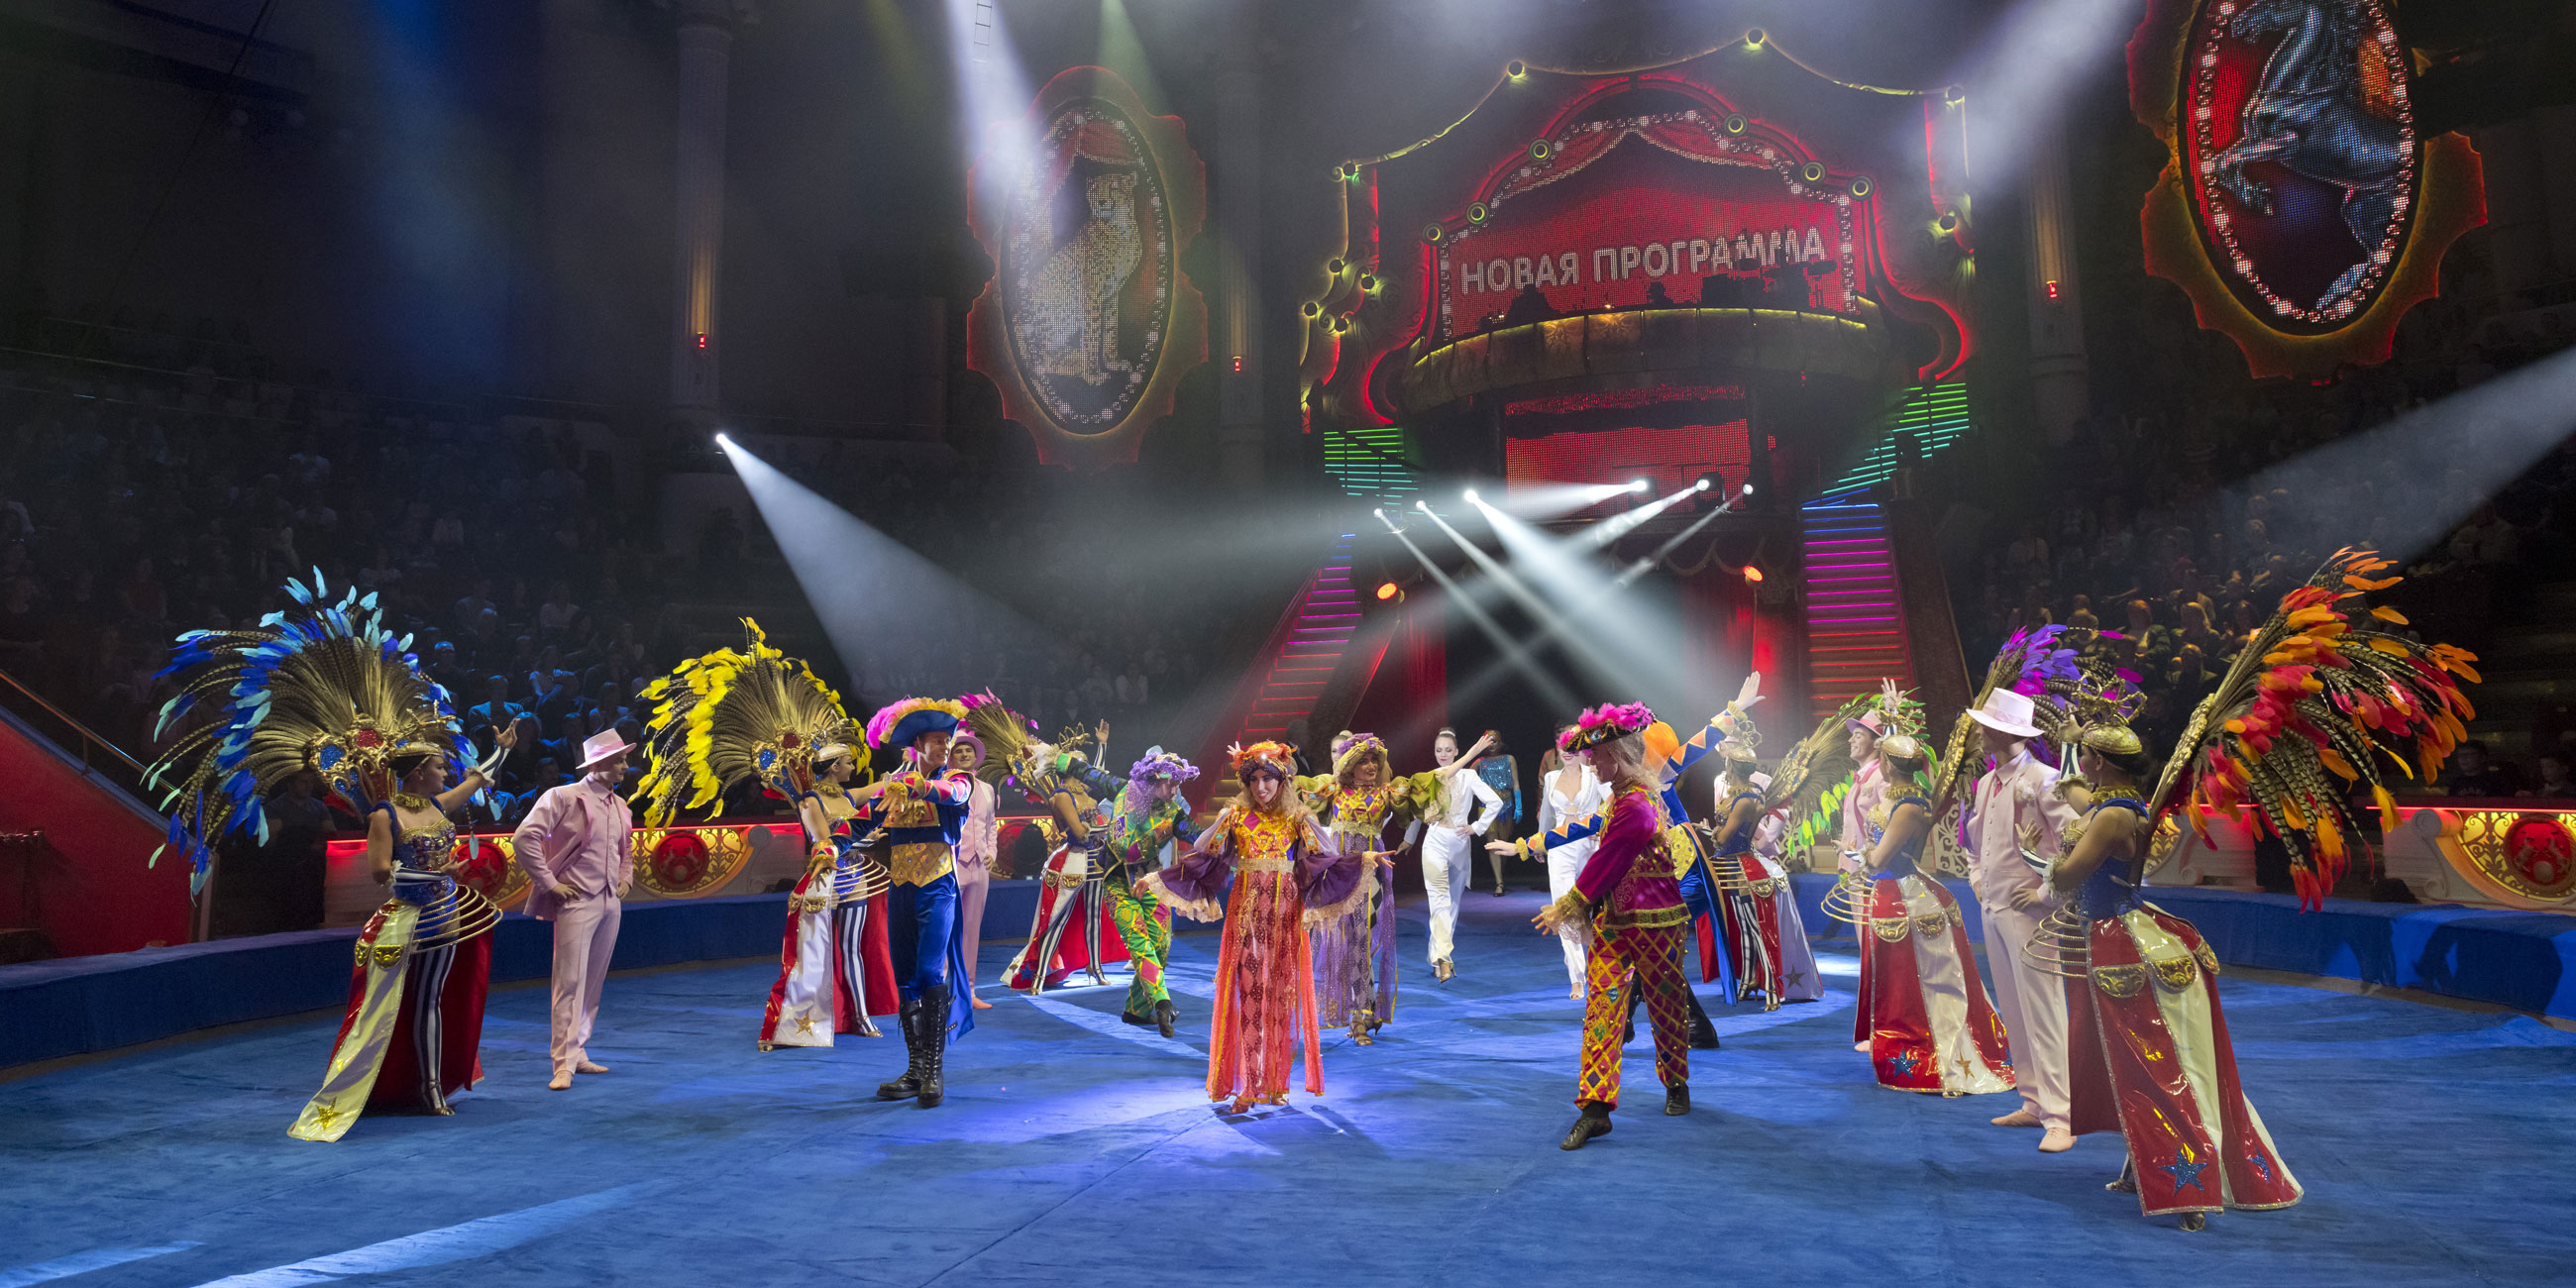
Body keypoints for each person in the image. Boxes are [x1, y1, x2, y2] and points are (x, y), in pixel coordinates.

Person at [148, 574, 513, 1142]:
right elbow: (380, 874)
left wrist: (502, 751)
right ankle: (411, 1087)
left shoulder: (437, 806)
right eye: (440, 766)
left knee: (434, 999)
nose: (448, 772)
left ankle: (432, 1085)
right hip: (409, 917)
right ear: (419, 772)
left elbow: (479, 779)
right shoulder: (385, 817)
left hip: (445, 913)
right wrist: (437, 871)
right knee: (396, 1006)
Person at [1139, 741, 1381, 1112]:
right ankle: (1248, 1084)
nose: (1261, 787)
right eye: (1254, 780)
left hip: (1285, 916)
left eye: (1268, 779)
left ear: (1282, 782)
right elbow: (1203, 862)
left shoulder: (1298, 819)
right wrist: (1157, 879)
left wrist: (1364, 859)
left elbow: (1324, 864)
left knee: (1282, 997)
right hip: (1247, 916)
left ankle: (1277, 1082)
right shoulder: (1235, 817)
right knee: (1249, 995)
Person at [1827, 684, 2015, 1097]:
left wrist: (1858, 853)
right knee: (1907, 975)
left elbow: (1879, 858)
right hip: (1894, 892)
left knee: (1929, 979)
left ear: (1888, 765)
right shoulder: (1907, 799)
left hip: (1906, 894)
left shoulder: (1908, 806)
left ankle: (1934, 1049)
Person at [1534, 703, 1692, 1150]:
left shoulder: (1638, 805)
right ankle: (1595, 1109)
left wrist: (1568, 904)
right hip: (1614, 923)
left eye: (1598, 757)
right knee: (1601, 1011)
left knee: (1665, 1005)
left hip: (1658, 922)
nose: (1591, 764)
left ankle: (1676, 1081)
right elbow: (1589, 834)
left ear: (1619, 757)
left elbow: (1609, 860)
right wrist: (1530, 843)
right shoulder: (1617, 800)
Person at [1963, 687, 2081, 1151]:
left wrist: (2045, 893)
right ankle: (2033, 1100)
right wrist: (1978, 881)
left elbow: (2075, 842)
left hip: (2033, 913)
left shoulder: (2045, 780)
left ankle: (2061, 1116)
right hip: (1994, 908)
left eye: (1986, 726)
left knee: (2044, 1010)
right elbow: (1974, 843)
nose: (1979, 733)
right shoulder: (1987, 784)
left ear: (2005, 731)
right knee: (2013, 1007)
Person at [853, 696, 977, 1108]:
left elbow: (952, 793)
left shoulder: (957, 779)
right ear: (918, 744)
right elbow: (860, 821)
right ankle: (916, 1069)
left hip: (937, 886)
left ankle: (934, 1070)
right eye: (938, 741)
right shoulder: (895, 785)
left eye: (948, 740)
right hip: (900, 887)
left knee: (928, 971)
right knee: (904, 976)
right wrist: (827, 847)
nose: (946, 746)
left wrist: (916, 786)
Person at [511, 728, 636, 1092]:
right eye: (619, 760)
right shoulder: (563, 796)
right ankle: (563, 1063)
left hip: (610, 900)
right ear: (597, 764)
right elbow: (524, 837)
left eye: (624, 760)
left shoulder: (621, 805)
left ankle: (578, 1051)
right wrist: (550, 883)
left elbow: (626, 849)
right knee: (569, 982)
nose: (625, 766)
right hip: (577, 898)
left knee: (593, 981)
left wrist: (625, 878)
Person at [1300, 731, 1425, 1042]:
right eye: (1363, 761)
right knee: (1344, 942)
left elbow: (1430, 785)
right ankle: (1362, 1008)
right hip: (1338, 874)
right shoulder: (1333, 789)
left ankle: (1360, 1014)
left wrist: (1467, 756)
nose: (1370, 766)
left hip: (1372, 875)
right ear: (1350, 764)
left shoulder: (1387, 793)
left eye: (1374, 760)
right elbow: (1293, 794)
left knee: (1361, 940)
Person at [1418, 727, 1501, 981]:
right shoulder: (1430, 777)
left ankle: (1438, 956)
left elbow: (1495, 802)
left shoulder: (1468, 776)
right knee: (1439, 902)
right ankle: (1442, 959)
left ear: (1455, 751)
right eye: (1438, 750)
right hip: (1434, 841)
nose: (1442, 754)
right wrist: (1409, 838)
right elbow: (1418, 812)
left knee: (1452, 905)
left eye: (1447, 750)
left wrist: (1476, 827)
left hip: (1459, 843)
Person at [1531, 726, 1607, 997]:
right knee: (1564, 910)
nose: (1568, 751)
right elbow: (1546, 816)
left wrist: (1603, 830)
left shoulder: (1594, 774)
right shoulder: (1551, 777)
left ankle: (1597, 965)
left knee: (1591, 910)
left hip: (1589, 847)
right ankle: (1577, 977)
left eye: (1574, 745)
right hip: (1560, 848)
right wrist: (1540, 842)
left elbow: (1613, 804)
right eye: (1563, 745)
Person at [950, 734, 999, 1009]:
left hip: (980, 866)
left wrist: (991, 852)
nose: (965, 754)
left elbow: (991, 825)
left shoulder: (987, 789)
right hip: (952, 864)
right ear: (951, 756)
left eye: (968, 750)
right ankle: (942, 992)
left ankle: (968, 991)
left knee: (971, 932)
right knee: (946, 929)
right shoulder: (945, 785)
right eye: (959, 751)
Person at [1472, 731, 1522, 895]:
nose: (1492, 744)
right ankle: (1499, 883)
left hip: (1506, 805)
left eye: (1495, 741)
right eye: (1489, 741)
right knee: (1492, 840)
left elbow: (1516, 783)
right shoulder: (1479, 762)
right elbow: (1465, 777)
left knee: (1503, 842)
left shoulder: (1509, 759)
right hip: (1487, 807)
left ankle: (1501, 876)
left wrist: (1519, 805)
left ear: (1500, 742)